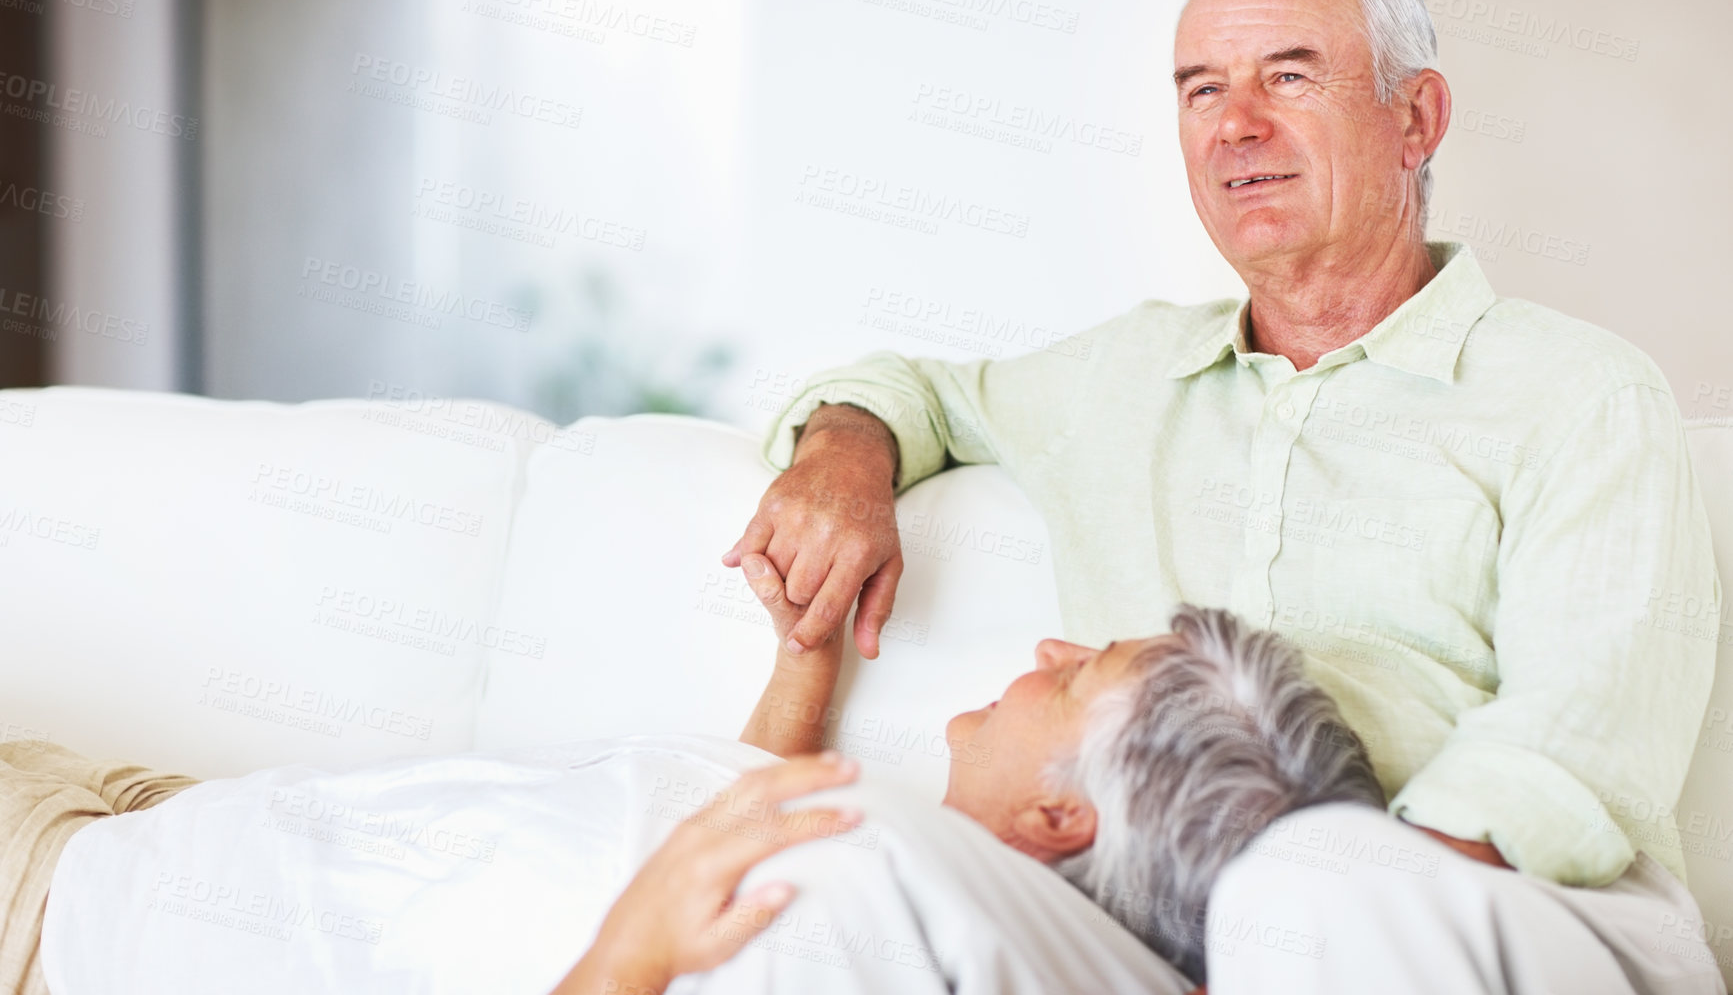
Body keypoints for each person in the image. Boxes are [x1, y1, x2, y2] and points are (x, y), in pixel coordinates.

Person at [723, 0, 1726, 993]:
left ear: (1414, 118)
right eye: (1200, 90)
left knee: (1301, 890)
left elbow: (1564, 756)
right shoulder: (1122, 375)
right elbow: (912, 390)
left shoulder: (1578, 393)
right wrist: (841, 451)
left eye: (1287, 78)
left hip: (1517, 921)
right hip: (1162, 936)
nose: (1234, 126)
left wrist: (1272, 924)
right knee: (844, 885)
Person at [13, 552, 1380, 995]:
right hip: (166, 824)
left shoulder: (869, 934)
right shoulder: (895, 868)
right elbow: (697, 840)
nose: (1046, 648)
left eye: (1079, 676)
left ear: (1059, 818)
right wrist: (801, 676)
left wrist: (624, 964)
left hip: (62, 925)